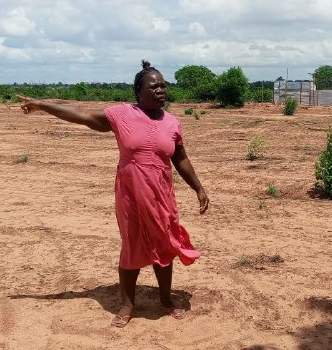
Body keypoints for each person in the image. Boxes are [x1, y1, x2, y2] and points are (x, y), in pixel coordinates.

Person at [16, 60, 209, 328]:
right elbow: (82, 115)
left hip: (161, 195)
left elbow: (181, 158)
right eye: (154, 86)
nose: (161, 90)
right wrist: (42, 105)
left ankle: (165, 300)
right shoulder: (122, 115)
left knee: (164, 242)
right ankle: (127, 303)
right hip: (130, 194)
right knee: (131, 243)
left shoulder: (172, 123)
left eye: (164, 86)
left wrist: (198, 188)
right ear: (138, 92)